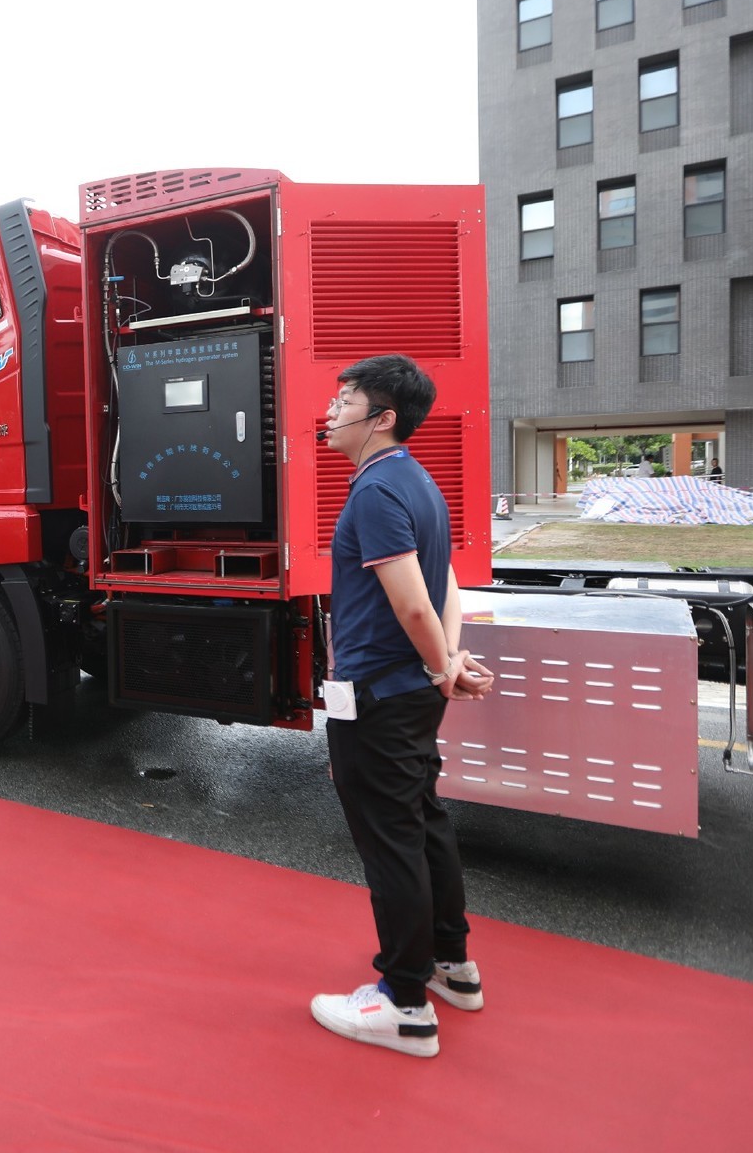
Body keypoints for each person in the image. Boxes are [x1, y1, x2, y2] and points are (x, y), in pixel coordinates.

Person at [309, 355, 493, 1058]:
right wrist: (445, 666)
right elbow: (444, 584)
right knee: (423, 824)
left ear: (381, 418)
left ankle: (404, 1004)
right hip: (411, 691)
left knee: (392, 842)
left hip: (379, 697)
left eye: (345, 400)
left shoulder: (376, 492)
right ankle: (454, 967)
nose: (331, 412)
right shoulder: (418, 483)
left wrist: (445, 662)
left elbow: (414, 598)